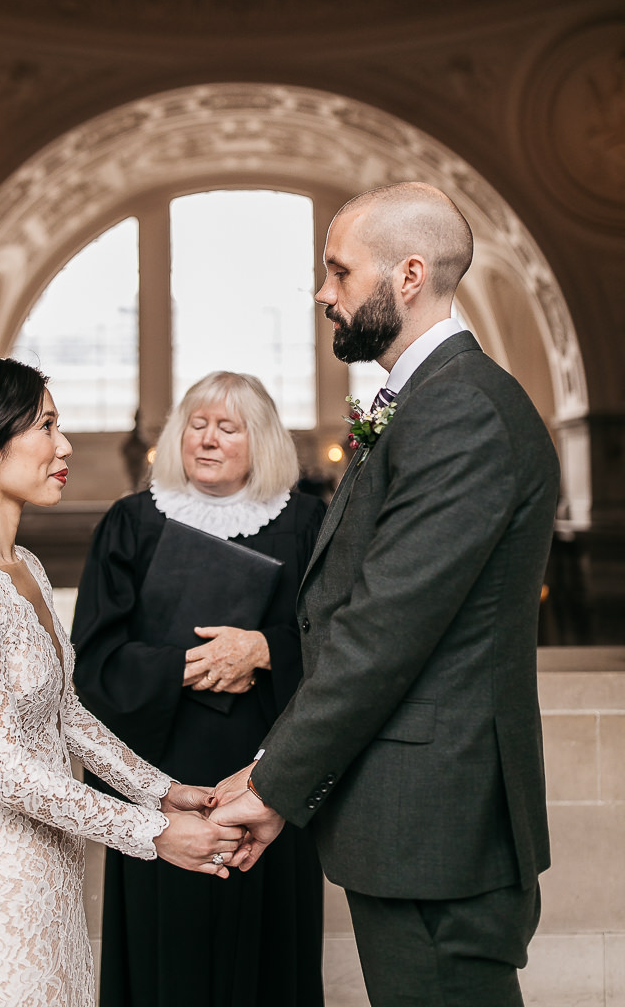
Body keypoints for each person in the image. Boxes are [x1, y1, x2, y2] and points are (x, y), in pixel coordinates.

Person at [213, 183, 561, 1007]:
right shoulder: (430, 403)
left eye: (339, 271)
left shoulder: (460, 412)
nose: (323, 293)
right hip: (418, 824)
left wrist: (269, 784)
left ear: (408, 275)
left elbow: (383, 633)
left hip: (438, 830)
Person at [0, 351, 244, 1007]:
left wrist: (162, 793)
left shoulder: (24, 565)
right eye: (46, 427)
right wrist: (149, 834)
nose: (64, 446)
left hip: (51, 895)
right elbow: (2, 768)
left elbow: (67, 715)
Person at [71, 371, 326, 1007]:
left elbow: (344, 639)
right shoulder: (131, 523)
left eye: (228, 427)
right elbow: (93, 659)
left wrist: (265, 650)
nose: (207, 440)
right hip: (165, 781)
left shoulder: (304, 523)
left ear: (261, 441)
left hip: (268, 775)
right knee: (171, 956)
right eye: (197, 424)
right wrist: (184, 666)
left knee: (269, 953)